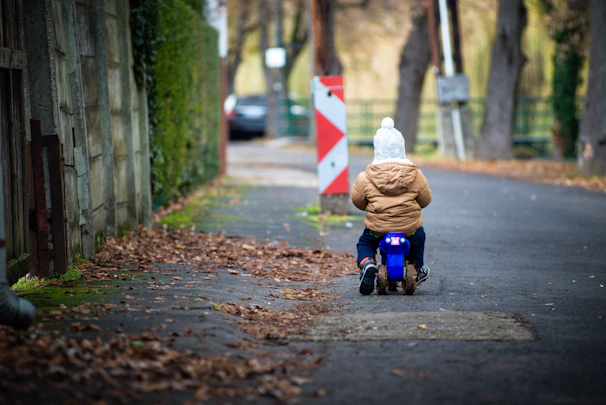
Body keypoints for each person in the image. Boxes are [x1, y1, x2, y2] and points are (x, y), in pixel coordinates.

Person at [351, 117, 432, 295]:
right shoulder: (416, 175)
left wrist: (369, 205)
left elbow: (357, 202)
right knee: (419, 238)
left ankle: (367, 263)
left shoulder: (365, 177)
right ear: (401, 147)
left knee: (365, 243)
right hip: (409, 229)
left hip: (377, 229)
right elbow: (426, 200)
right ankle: (417, 270)